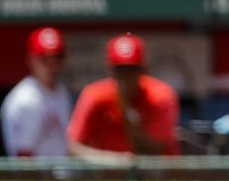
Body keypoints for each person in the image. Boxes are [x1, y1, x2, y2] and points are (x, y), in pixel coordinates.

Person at [67, 33, 179, 163]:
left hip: (157, 177)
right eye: (120, 69)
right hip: (109, 175)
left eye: (131, 69)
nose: (126, 76)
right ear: (110, 71)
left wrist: (126, 109)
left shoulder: (160, 95)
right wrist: (113, 161)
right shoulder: (94, 95)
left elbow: (154, 149)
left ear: (143, 69)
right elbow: (73, 147)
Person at [0, 27, 71, 157]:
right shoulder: (24, 100)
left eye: (57, 57)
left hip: (62, 175)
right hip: (38, 177)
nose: (52, 65)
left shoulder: (61, 91)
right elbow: (23, 157)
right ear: (30, 60)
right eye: (44, 59)